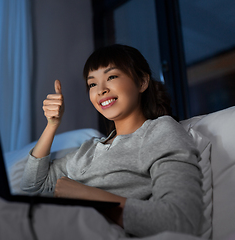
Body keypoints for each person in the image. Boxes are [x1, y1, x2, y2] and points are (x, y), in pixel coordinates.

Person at [20, 44, 203, 237]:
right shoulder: (89, 148)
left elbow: (181, 221)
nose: (101, 90)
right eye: (92, 84)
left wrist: (86, 195)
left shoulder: (159, 131)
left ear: (142, 82)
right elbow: (32, 186)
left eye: (112, 77)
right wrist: (51, 125)